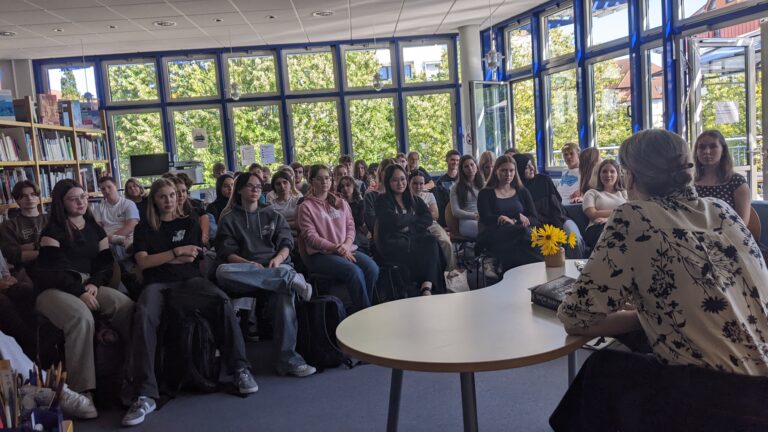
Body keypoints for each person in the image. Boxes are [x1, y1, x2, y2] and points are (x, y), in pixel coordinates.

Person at [551, 129, 768, 431]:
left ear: (631, 177)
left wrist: (642, 316)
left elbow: (576, 318)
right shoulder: (723, 211)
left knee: (601, 370)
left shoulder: (633, 216)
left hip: (723, 401)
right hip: (760, 391)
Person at [124, 178, 258, 427]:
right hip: (156, 285)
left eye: (172, 195)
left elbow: (191, 258)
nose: (169, 200)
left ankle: (240, 369)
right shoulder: (144, 228)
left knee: (222, 301)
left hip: (189, 282)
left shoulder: (189, 223)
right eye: (163, 196)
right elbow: (142, 262)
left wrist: (159, 258)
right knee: (143, 314)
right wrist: (176, 252)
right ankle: (145, 394)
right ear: (154, 200)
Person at [34, 179, 134, 418]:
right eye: (73, 199)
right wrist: (79, 291)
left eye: (83, 197)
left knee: (126, 306)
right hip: (54, 289)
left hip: (89, 284)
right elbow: (55, 270)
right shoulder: (52, 231)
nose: (81, 202)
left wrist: (93, 284)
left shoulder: (94, 228)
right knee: (80, 318)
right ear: (61, 203)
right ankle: (82, 392)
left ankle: (131, 376)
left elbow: (104, 263)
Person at [214, 172, 316, 378]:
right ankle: (288, 278)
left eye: (258, 187)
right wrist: (249, 265)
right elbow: (227, 253)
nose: (255, 190)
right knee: (222, 271)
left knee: (284, 293)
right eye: (250, 186)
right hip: (245, 273)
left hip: (273, 267)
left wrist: (277, 260)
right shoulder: (229, 219)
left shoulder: (272, 215)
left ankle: (288, 361)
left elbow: (286, 243)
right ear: (239, 190)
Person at [298, 165, 379, 312]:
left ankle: (360, 307)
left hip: (346, 249)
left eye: (327, 178)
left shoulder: (341, 202)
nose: (325, 182)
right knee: (354, 272)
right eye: (320, 179)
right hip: (321, 255)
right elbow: (311, 237)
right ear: (311, 181)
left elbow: (350, 227)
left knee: (372, 268)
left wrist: (346, 245)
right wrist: (336, 248)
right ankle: (366, 312)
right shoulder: (306, 207)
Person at [375, 165, 446, 295]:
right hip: (394, 243)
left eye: (402, 179)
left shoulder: (413, 198)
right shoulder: (382, 200)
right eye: (395, 180)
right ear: (388, 182)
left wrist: (408, 224)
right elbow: (392, 221)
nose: (400, 183)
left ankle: (426, 287)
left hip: (413, 237)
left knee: (431, 241)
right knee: (427, 251)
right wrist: (413, 217)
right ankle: (428, 288)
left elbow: (428, 218)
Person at [513, 153, 586, 259]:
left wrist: (559, 226)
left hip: (559, 219)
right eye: (526, 167)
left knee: (574, 237)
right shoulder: (516, 190)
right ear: (519, 170)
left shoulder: (544, 180)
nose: (532, 168)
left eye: (531, 164)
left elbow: (557, 204)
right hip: (536, 227)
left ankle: (578, 266)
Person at [476, 155, 542, 271]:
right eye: (504, 170)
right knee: (522, 234)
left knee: (519, 243)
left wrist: (515, 220)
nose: (508, 174)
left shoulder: (522, 191)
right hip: (495, 233)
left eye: (511, 170)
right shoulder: (485, 193)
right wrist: (511, 218)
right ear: (496, 171)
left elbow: (535, 218)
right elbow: (485, 218)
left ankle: (511, 272)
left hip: (520, 235)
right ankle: (542, 265)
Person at [694, 129, 751, 225]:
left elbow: (742, 223)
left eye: (713, 146)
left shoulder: (737, 182)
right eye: (702, 147)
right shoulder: (689, 181)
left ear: (723, 150)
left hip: (729, 232)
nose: (707, 151)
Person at [409, 170, 455, 271]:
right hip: (413, 226)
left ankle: (451, 271)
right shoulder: (404, 198)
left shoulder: (429, 195)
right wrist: (425, 214)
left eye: (421, 183)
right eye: (415, 183)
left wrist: (418, 217)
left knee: (445, 242)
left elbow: (435, 215)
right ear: (409, 183)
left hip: (431, 224)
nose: (418, 186)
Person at [0, 180, 48, 270]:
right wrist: (43, 248)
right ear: (17, 200)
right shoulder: (8, 225)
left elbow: (63, 244)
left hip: (55, 266)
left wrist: (24, 248)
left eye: (33, 194)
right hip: (26, 271)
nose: (29, 198)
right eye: (24, 196)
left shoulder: (50, 219)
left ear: (38, 197)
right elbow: (12, 255)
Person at [581, 159, 627, 250]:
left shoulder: (624, 193)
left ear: (617, 174)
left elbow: (629, 213)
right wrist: (620, 211)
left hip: (620, 226)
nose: (608, 175)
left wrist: (607, 219)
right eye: (604, 171)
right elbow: (593, 214)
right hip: (597, 228)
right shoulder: (591, 193)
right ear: (599, 175)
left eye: (612, 171)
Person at [93, 176, 140, 255]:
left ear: (116, 186)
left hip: (127, 239)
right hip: (107, 240)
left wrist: (111, 238)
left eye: (109, 187)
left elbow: (131, 226)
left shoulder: (129, 204)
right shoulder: (98, 208)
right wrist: (110, 238)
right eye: (103, 189)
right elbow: (97, 229)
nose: (106, 191)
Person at [168, 175, 211, 246]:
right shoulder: (166, 215)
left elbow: (204, 215)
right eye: (177, 192)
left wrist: (203, 236)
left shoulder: (195, 208)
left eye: (183, 191)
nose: (181, 194)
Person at [450, 155, 484, 239]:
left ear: (476, 165)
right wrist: (475, 216)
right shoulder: (455, 188)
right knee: (486, 231)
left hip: (484, 218)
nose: (470, 168)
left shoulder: (484, 184)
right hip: (467, 221)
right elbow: (455, 212)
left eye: (472, 164)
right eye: (466, 166)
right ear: (462, 170)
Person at [336, 175, 369, 252]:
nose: (345, 188)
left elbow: (360, 221)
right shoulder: (338, 204)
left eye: (348, 185)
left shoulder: (361, 203)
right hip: (341, 233)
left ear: (353, 186)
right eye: (342, 186)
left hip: (356, 233)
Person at [364, 158, 396, 233]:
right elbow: (371, 223)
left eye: (392, 171)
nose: (389, 173)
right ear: (380, 172)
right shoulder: (370, 196)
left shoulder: (400, 194)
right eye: (386, 170)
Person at [267, 170, 302, 235]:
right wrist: (293, 223)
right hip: (279, 237)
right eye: (278, 184)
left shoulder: (298, 201)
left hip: (298, 236)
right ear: (274, 188)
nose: (282, 186)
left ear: (290, 184)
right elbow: (273, 226)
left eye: (285, 182)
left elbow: (301, 223)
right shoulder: (271, 205)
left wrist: (280, 223)